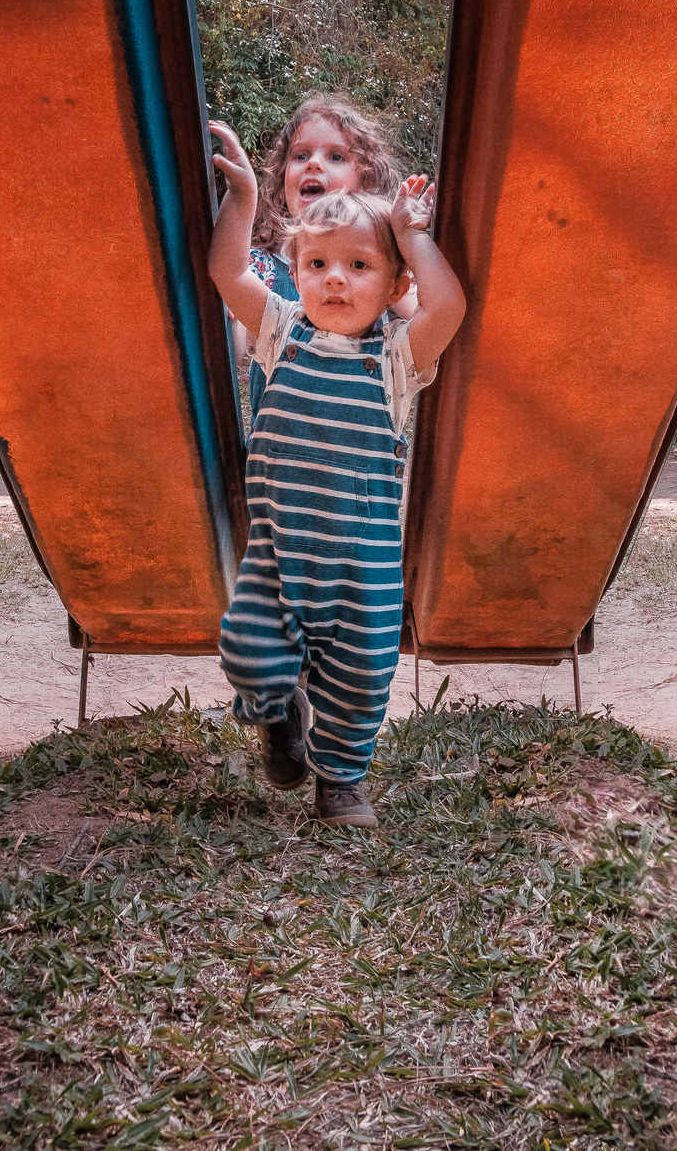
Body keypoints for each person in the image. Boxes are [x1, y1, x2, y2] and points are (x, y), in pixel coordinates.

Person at [207, 128, 466, 829]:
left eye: (357, 266)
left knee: (359, 683)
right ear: (295, 270)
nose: (334, 278)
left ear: (392, 287)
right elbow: (230, 276)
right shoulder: (281, 333)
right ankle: (280, 719)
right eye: (317, 263)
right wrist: (244, 198)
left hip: (364, 567)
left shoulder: (396, 361)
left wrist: (413, 237)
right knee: (249, 651)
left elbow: (449, 309)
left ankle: (341, 786)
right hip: (279, 556)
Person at [208, 93, 413, 428]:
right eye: (300, 155)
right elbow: (230, 356)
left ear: (367, 181)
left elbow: (427, 311)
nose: (314, 163)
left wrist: (407, 240)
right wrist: (243, 195)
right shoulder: (260, 268)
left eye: (335, 156)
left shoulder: (386, 265)